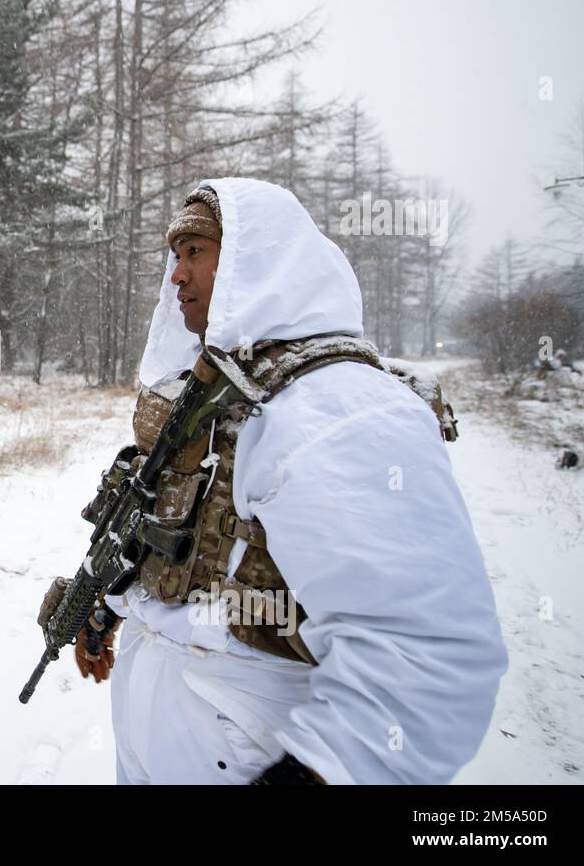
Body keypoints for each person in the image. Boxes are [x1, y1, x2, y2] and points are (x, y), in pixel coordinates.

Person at [75, 178, 507, 785]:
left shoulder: (335, 404)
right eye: (174, 255)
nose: (177, 273)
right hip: (162, 720)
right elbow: (187, 543)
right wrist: (114, 602)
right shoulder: (213, 393)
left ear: (256, 256)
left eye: (196, 251)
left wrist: (322, 774)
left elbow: (425, 658)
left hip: (250, 741)